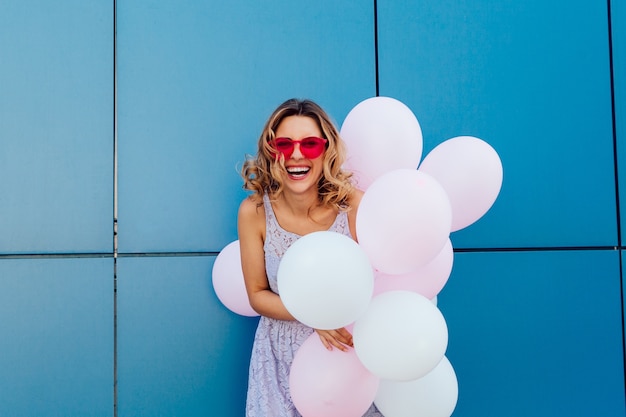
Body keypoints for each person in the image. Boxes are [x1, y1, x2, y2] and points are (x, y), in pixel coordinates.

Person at [238, 98, 383, 417]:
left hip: (343, 357)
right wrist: (314, 315)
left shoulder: (356, 206)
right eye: (284, 145)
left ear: (327, 150)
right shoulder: (255, 212)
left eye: (310, 144)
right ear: (271, 151)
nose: (297, 155)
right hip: (279, 360)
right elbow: (257, 295)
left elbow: (380, 284)